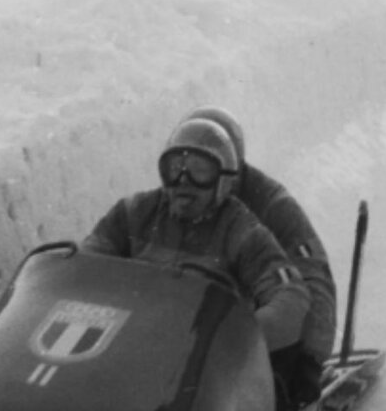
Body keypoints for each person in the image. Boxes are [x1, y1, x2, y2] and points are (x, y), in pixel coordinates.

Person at [82, 119, 310, 359]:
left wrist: (241, 338)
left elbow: (289, 295)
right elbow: (85, 264)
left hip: (201, 363)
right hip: (131, 347)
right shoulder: (133, 213)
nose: (183, 180)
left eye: (200, 171)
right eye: (175, 168)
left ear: (223, 180)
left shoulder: (242, 231)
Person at [181, 107, 338, 407]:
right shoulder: (176, 201)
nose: (189, 178)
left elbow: (313, 276)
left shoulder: (273, 207)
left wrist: (309, 359)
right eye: (186, 164)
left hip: (252, 332)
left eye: (205, 165)